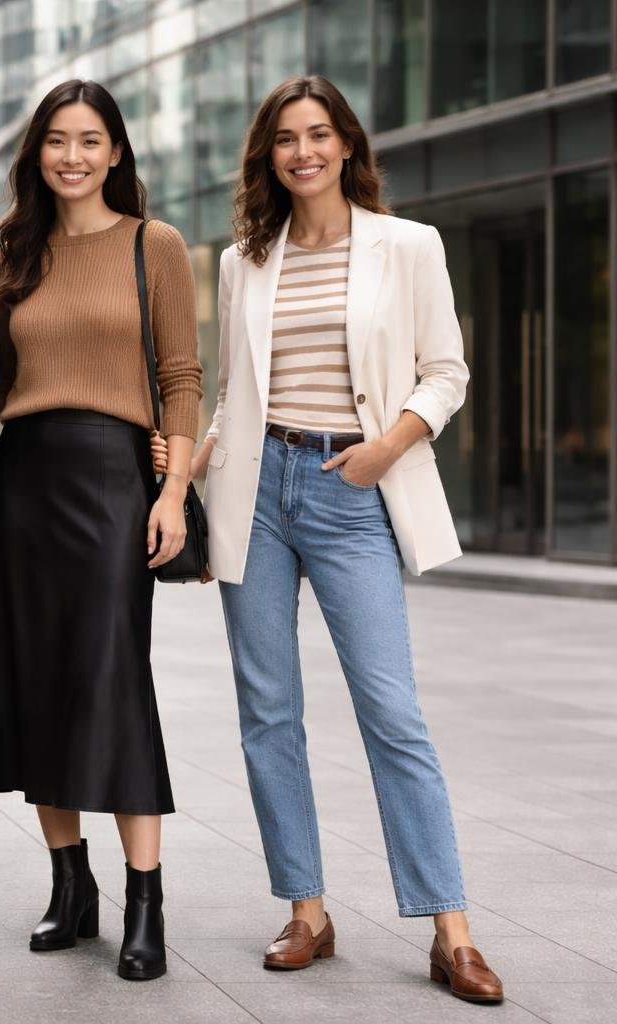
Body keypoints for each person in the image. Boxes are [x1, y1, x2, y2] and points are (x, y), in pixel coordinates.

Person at [191, 75, 502, 1004]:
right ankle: (308, 911)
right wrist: (189, 476)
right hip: (255, 491)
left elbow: (446, 371)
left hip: (350, 487)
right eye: (285, 139)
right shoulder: (245, 258)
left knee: (390, 710)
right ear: (269, 155)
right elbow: (231, 393)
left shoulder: (407, 246)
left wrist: (387, 447)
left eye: (318, 134)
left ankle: (451, 930)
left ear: (347, 144)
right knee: (268, 713)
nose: (302, 152)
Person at [0, 80, 201, 981]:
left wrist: (171, 495)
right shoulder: (15, 253)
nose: (73, 156)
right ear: (38, 153)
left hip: (114, 479)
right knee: (38, 682)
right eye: (57, 140)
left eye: (90, 140)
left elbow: (181, 379)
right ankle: (71, 887)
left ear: (117, 152)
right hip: (25, 479)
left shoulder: (154, 244)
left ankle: (145, 899)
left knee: (111, 677)